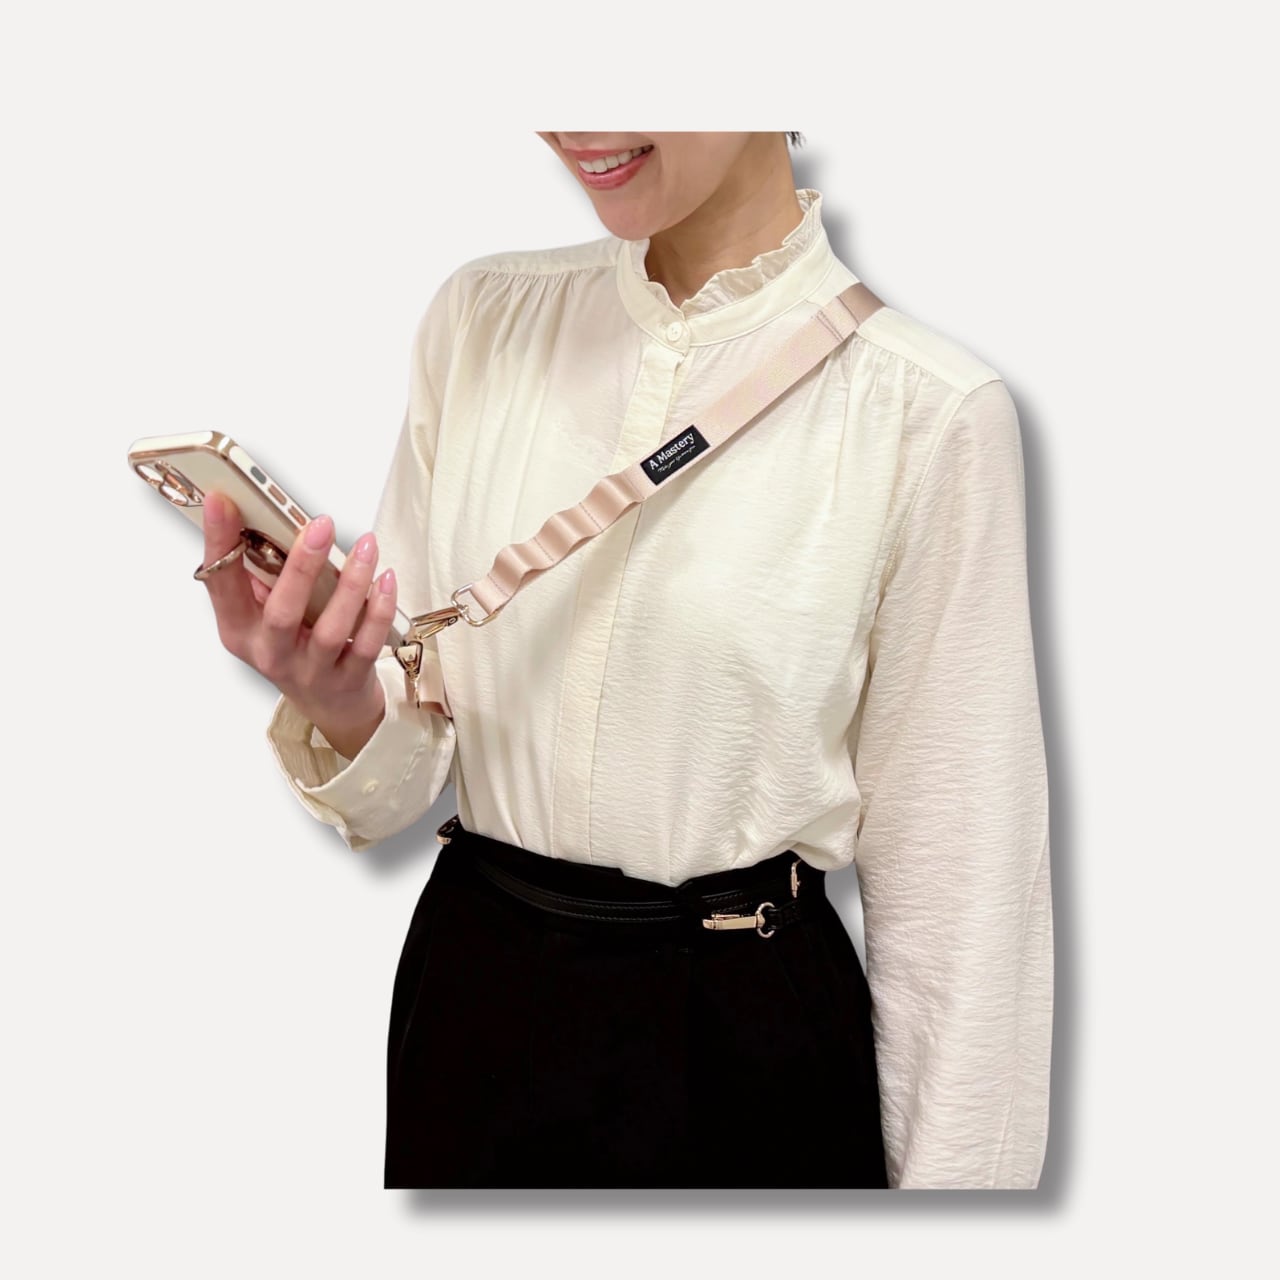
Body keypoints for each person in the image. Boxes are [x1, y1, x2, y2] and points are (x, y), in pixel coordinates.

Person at [196, 131, 1054, 1190]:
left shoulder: (925, 410)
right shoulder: (482, 322)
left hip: (745, 1043)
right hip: (471, 1005)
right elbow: (409, 767)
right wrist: (336, 699)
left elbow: (965, 915)